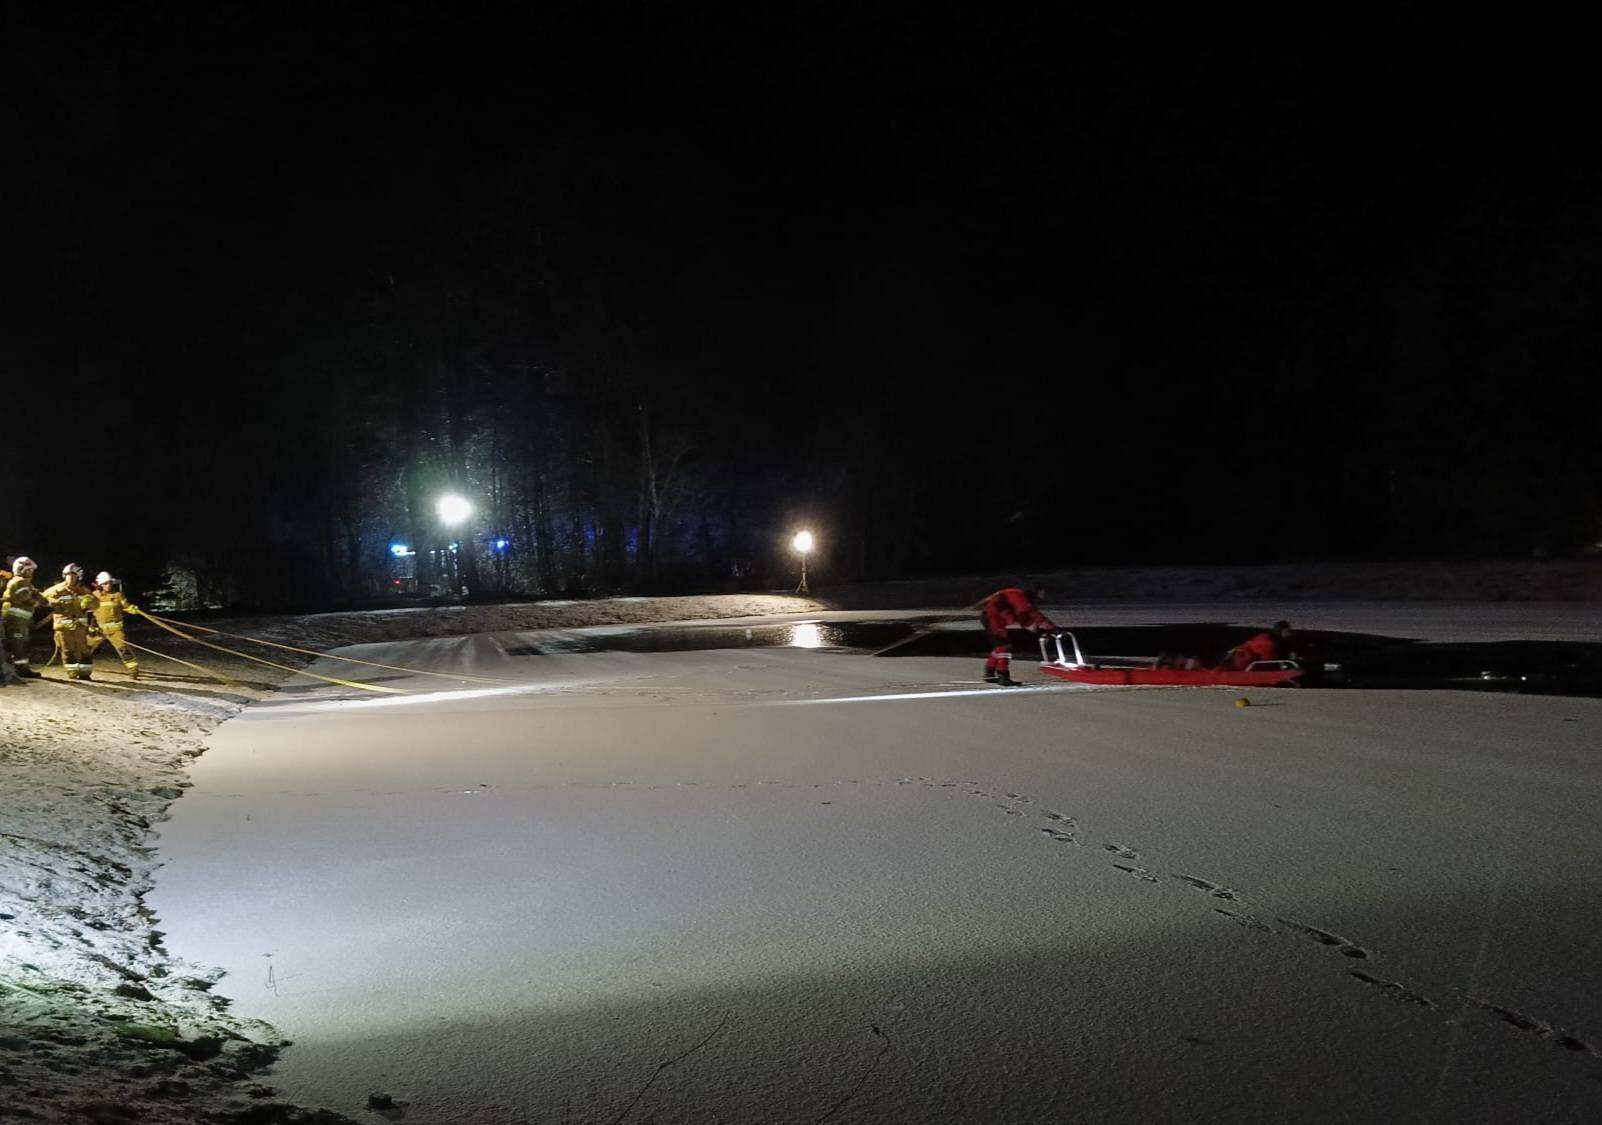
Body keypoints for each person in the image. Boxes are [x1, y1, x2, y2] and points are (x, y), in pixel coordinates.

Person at [980, 585, 1057, 686]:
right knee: (1004, 647)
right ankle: (1003, 676)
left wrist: (1050, 628)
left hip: (994, 618)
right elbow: (1024, 617)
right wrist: (1041, 630)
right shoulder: (1020, 597)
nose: (1042, 597)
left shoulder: (1021, 598)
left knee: (1000, 647)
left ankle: (989, 673)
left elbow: (1032, 616)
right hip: (992, 619)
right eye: (1041, 594)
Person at [41, 563, 99, 681]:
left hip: (80, 627)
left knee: (83, 649)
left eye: (73, 575)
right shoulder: (57, 590)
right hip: (63, 626)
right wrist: (57, 603)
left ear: (78, 576)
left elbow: (96, 605)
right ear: (64, 576)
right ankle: (72, 672)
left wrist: (89, 602)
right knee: (68, 649)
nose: (70, 578)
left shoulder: (84, 590)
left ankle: (85, 673)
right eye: (68, 575)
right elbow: (43, 599)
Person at [87, 571, 142, 677]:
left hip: (115, 629)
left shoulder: (118, 595)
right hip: (98, 629)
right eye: (105, 583)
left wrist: (132, 609)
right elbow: (87, 609)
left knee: (123, 649)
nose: (108, 585)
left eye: (110, 583)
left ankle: (133, 671)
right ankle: (81, 669)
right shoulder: (94, 595)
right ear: (100, 585)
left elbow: (126, 606)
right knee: (86, 649)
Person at [3, 555, 47, 682]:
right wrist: (37, 603)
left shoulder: (26, 583)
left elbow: (40, 597)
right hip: (16, 620)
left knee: (20, 644)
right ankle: (21, 670)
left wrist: (44, 600)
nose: (31, 572)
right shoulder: (19, 581)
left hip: (20, 621)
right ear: (20, 569)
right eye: (29, 570)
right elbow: (25, 598)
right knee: (18, 645)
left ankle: (19, 669)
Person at [1220, 620, 1294, 671]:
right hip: (1243, 663)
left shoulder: (1277, 642)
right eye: (1287, 632)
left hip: (1248, 663)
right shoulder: (1267, 644)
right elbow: (1269, 661)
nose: (1289, 634)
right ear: (1279, 632)